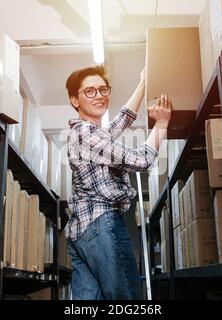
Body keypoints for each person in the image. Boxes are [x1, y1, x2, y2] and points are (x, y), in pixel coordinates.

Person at [64, 65, 172, 300]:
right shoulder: (86, 134)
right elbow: (141, 160)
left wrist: (143, 82)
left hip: (81, 233)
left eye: (103, 90)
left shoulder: (91, 132)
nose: (99, 95)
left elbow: (122, 120)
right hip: (101, 224)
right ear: (75, 100)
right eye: (90, 91)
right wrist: (161, 124)